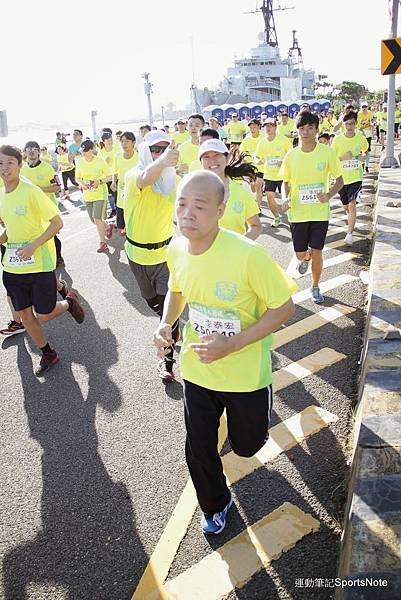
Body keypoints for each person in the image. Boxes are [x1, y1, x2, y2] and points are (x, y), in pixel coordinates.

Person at [153, 170, 296, 535]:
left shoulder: (248, 255)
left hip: (245, 373)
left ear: (220, 210)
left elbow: (283, 308)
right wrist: (165, 324)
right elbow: (177, 289)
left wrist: (232, 343)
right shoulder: (175, 248)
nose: (187, 213)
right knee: (198, 445)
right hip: (198, 368)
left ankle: (259, 415)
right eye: (182, 204)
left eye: (199, 206)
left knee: (247, 447)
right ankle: (215, 504)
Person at [0, 145, 85, 376]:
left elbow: (57, 223)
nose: (4, 168)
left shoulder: (31, 191)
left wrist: (33, 246)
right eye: (0, 163)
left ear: (19, 164)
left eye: (9, 162)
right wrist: (3, 238)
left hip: (39, 262)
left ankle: (69, 300)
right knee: (25, 315)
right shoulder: (0, 194)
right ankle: (48, 353)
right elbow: (9, 229)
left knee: (44, 314)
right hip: (13, 265)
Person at [124, 130, 179, 382]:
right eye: (155, 150)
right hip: (137, 255)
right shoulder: (133, 175)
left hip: (166, 255)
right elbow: (146, 178)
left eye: (164, 149)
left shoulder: (174, 181)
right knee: (153, 304)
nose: (160, 154)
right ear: (146, 151)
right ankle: (169, 323)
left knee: (168, 316)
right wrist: (163, 160)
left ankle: (167, 361)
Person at [280, 111, 343, 304]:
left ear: (316, 130)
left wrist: (329, 195)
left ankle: (315, 286)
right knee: (301, 254)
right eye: (301, 128)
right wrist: (284, 198)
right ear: (297, 130)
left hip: (319, 212)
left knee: (317, 251)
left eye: (310, 128)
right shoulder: (291, 155)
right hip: (297, 213)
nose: (305, 132)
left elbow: (340, 180)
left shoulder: (327, 152)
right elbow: (285, 182)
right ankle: (304, 259)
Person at [199, 139, 262, 239]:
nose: (212, 160)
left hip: (235, 254)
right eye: (206, 156)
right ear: (201, 162)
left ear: (227, 158)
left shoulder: (241, 193)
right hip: (203, 253)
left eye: (217, 155)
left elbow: (256, 226)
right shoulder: (193, 192)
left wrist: (241, 245)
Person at [21, 141, 65, 268]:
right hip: (31, 209)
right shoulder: (22, 169)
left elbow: (57, 187)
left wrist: (40, 189)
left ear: (39, 152)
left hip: (47, 208)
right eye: (28, 148)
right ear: (25, 152)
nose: (31, 151)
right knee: (36, 235)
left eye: (34, 148)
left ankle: (58, 257)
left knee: (52, 235)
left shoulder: (47, 168)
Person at [332, 111, 368, 246]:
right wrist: (343, 158)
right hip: (342, 179)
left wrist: (363, 157)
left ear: (356, 123)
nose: (349, 126)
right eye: (346, 124)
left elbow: (365, 151)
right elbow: (332, 159)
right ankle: (350, 220)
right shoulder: (337, 140)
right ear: (343, 124)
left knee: (352, 204)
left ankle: (349, 233)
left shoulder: (360, 138)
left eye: (352, 123)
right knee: (346, 206)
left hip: (356, 177)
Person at [75, 139, 113, 253]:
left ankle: (103, 243)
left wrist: (99, 181)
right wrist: (81, 184)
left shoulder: (100, 161)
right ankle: (108, 227)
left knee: (97, 218)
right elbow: (77, 177)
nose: (83, 153)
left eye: (86, 150)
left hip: (100, 194)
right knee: (94, 220)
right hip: (87, 195)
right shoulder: (80, 162)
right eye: (82, 151)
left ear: (92, 150)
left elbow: (109, 177)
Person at [255, 118, 292, 227]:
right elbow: (257, 155)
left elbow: (291, 154)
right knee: (270, 197)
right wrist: (257, 160)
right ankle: (277, 217)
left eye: (270, 126)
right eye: (266, 126)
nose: (268, 128)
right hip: (269, 175)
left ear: (275, 127)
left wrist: (284, 162)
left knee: (287, 199)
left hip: (283, 175)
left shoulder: (283, 140)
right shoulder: (262, 142)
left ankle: (292, 218)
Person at [112, 131, 138, 235]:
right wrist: (114, 182)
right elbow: (115, 171)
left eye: (127, 141)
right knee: (121, 228)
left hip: (136, 192)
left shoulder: (139, 157)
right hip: (122, 192)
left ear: (133, 142)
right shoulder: (118, 156)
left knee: (134, 222)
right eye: (122, 141)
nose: (124, 144)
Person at [239, 119, 264, 208]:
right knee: (253, 187)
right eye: (251, 127)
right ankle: (257, 190)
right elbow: (242, 151)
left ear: (259, 127)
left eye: (254, 127)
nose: (252, 129)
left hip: (261, 166)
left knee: (258, 187)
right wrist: (245, 159)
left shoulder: (263, 137)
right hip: (250, 166)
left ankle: (258, 207)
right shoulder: (247, 139)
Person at [98, 130, 119, 218]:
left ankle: (119, 211)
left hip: (117, 175)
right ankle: (113, 210)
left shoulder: (117, 148)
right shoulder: (101, 152)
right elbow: (99, 165)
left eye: (111, 139)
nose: (110, 141)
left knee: (117, 195)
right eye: (108, 140)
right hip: (107, 177)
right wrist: (104, 162)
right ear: (103, 141)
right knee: (110, 195)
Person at [357, 102, 374, 173]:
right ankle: (362, 165)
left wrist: (372, 126)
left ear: (367, 107)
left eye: (365, 107)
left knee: (367, 150)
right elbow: (358, 126)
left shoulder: (370, 113)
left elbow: (372, 121)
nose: (364, 108)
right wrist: (363, 132)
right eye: (363, 107)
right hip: (361, 132)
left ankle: (366, 166)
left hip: (368, 133)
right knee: (361, 150)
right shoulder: (359, 114)